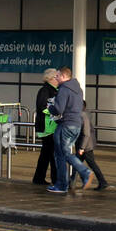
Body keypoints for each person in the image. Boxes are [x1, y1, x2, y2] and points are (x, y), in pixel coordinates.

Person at [46, 65, 91, 193]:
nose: (56, 77)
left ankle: (80, 175)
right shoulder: (78, 89)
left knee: (62, 154)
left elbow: (59, 109)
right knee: (62, 153)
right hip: (76, 124)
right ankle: (62, 184)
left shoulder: (64, 89)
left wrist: (50, 107)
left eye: (58, 75)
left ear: (65, 76)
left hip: (65, 125)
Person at [68, 104, 109, 192]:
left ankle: (102, 182)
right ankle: (73, 183)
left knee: (89, 164)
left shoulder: (83, 116)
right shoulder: (84, 114)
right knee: (78, 164)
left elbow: (86, 134)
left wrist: (82, 148)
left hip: (85, 145)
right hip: (84, 144)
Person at [31, 68, 60, 185]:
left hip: (51, 127)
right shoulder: (45, 91)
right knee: (51, 154)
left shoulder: (55, 90)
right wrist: (56, 111)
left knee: (46, 154)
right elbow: (42, 107)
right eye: (56, 77)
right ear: (50, 79)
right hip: (47, 128)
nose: (58, 79)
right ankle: (54, 179)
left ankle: (39, 178)